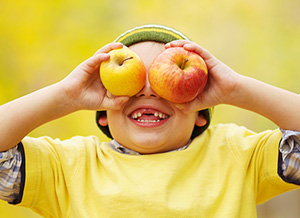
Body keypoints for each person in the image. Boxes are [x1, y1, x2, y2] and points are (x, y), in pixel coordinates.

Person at [0, 24, 300, 217]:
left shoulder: (236, 154)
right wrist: (63, 96)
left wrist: (237, 90)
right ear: (103, 114)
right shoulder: (71, 166)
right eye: (131, 81)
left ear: (200, 114)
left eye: (161, 83)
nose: (147, 91)